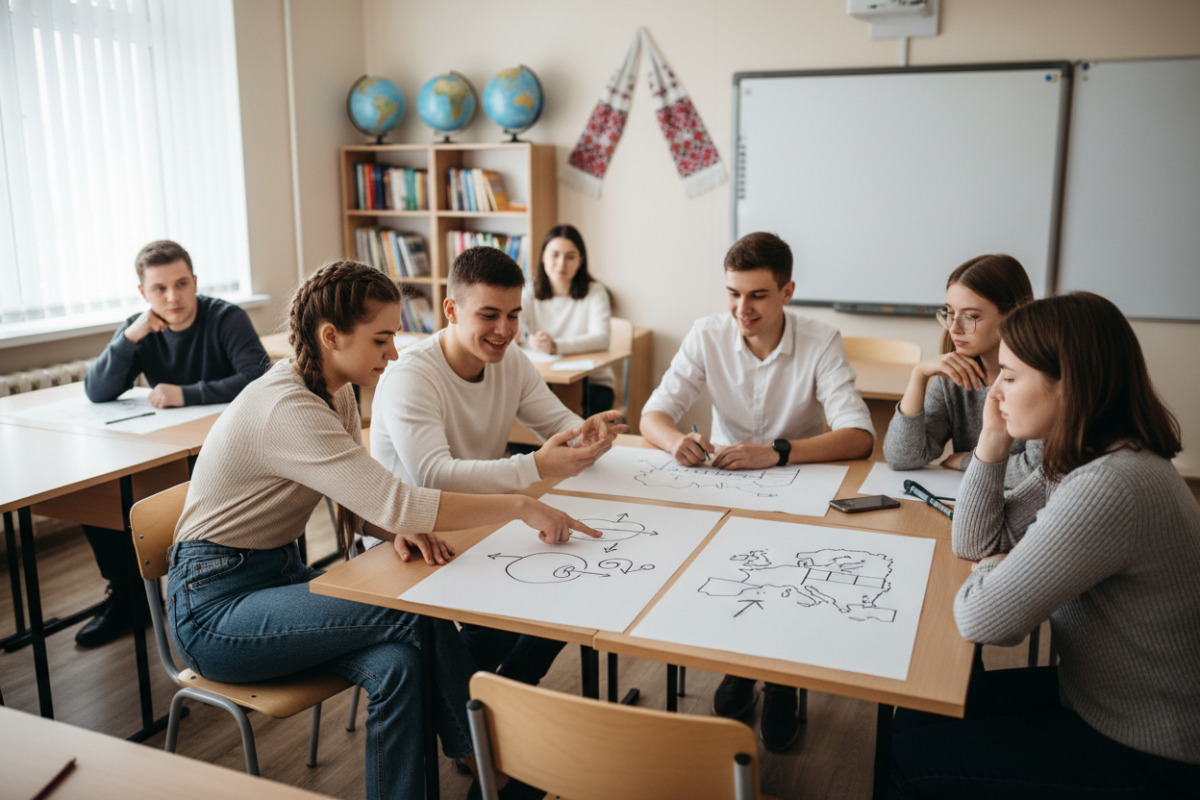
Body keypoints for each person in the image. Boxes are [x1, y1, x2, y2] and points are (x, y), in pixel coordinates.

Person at [169, 261, 599, 800]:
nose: (393, 354)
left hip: (272, 577)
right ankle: (490, 760)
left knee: (398, 663)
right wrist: (515, 505)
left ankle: (469, 764)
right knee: (414, 615)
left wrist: (389, 525)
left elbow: (363, 498)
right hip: (213, 609)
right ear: (331, 336)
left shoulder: (337, 390)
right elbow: (399, 498)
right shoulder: (289, 405)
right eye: (381, 339)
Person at [890, 292, 1200, 799]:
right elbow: (974, 542)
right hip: (1097, 701)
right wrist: (992, 439)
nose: (996, 391)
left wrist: (993, 571)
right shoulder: (1082, 458)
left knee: (906, 760)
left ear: (1068, 384)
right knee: (920, 711)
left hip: (1155, 749)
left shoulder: (1113, 482)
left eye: (1010, 377)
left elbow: (985, 620)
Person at [640, 231, 874, 751]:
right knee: (722, 572)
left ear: (787, 291)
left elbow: (859, 437)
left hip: (798, 478)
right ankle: (738, 667)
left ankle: (784, 681)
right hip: (726, 480)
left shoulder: (821, 340)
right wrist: (676, 441)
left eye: (757, 296)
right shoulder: (706, 335)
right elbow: (652, 415)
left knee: (790, 573)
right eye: (732, 293)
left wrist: (778, 451)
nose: (741, 309)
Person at [371, 245, 624, 687]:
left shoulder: (511, 361)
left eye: (513, 315)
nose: (504, 330)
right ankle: (479, 712)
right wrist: (537, 466)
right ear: (451, 309)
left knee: (576, 590)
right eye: (489, 315)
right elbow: (434, 474)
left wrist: (587, 432)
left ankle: (489, 704)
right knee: (532, 604)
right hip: (413, 537)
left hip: (482, 522)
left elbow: (556, 422)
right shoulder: (412, 375)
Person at [76, 239, 269, 647]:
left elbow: (256, 376)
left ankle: (211, 591)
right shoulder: (141, 326)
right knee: (99, 490)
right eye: (159, 289)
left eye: (181, 284)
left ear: (195, 281)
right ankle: (128, 597)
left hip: (228, 451)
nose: (173, 297)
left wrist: (187, 393)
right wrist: (129, 337)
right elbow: (97, 390)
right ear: (144, 293)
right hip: (162, 448)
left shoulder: (225, 317)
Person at [883, 254, 1042, 487]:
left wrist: (967, 461)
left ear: (1011, 316)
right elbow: (902, 458)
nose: (954, 328)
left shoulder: (1041, 379)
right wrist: (919, 375)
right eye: (949, 313)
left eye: (970, 317)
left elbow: (1037, 471)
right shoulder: (953, 380)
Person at [520, 224, 615, 418]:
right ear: (543, 257)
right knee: (521, 420)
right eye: (554, 255)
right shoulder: (528, 291)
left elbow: (601, 338)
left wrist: (555, 346)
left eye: (570, 256)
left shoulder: (595, 292)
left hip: (592, 382)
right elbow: (517, 330)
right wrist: (531, 340)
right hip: (542, 380)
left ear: (581, 260)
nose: (561, 264)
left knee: (572, 430)